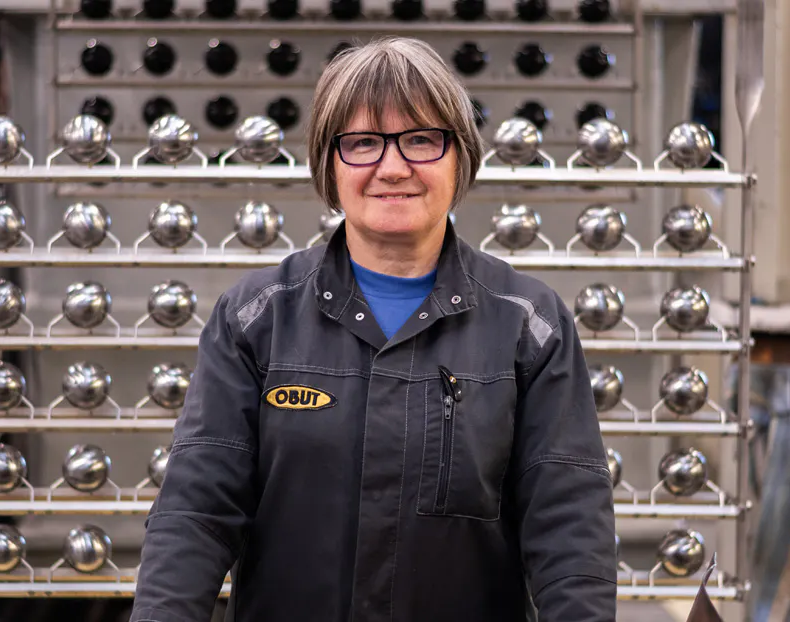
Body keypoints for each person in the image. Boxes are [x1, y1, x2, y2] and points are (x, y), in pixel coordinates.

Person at [131, 36, 617, 622]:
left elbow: (569, 527)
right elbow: (196, 511)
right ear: (329, 163)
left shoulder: (528, 324)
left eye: (421, 139)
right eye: (362, 143)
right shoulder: (257, 317)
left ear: (459, 156)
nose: (392, 167)